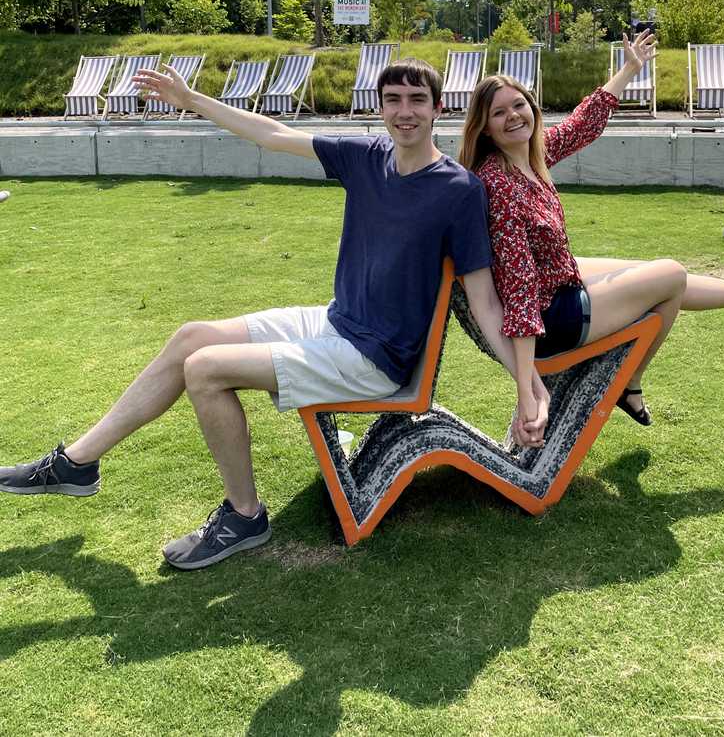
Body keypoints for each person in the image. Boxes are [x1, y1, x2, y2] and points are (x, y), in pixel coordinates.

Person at [0, 58, 525, 569]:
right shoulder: (367, 157)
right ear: (380, 106)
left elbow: (483, 300)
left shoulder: (459, 190)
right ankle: (75, 463)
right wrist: (190, 100)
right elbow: (271, 134)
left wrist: (526, 386)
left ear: (438, 109)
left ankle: (244, 515)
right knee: (193, 337)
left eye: (417, 100)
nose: (404, 111)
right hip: (337, 322)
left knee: (204, 370)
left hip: (375, 358)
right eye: (393, 100)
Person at [459, 31, 724, 438]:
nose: (513, 116)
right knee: (669, 275)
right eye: (498, 113)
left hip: (557, 282)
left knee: (655, 274)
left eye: (519, 105)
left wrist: (630, 69)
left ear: (532, 108)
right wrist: (527, 385)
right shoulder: (500, 185)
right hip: (549, 320)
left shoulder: (532, 154)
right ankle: (630, 382)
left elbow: (583, 123)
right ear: (485, 128)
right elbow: (519, 288)